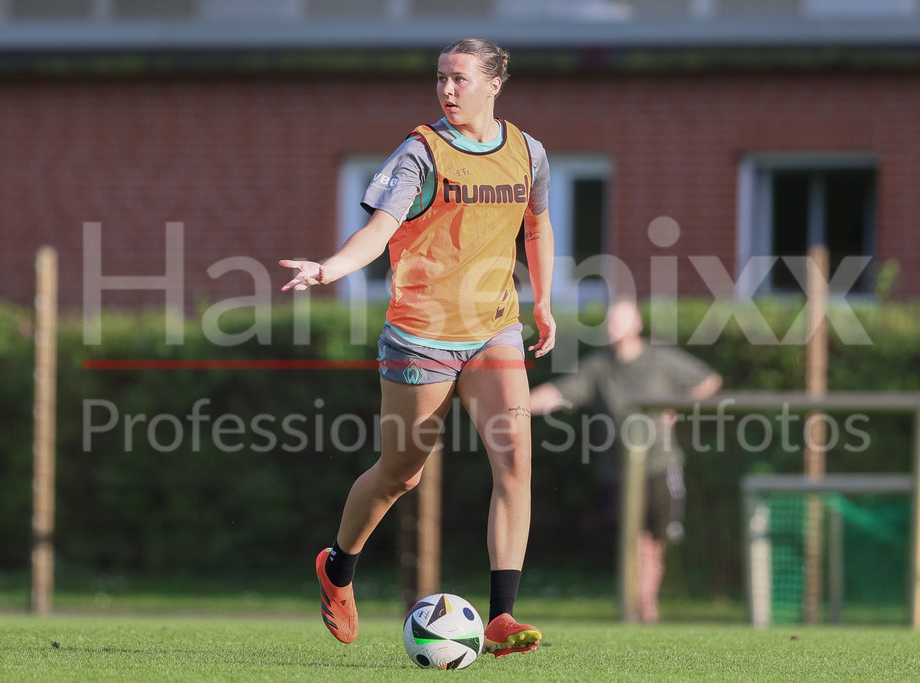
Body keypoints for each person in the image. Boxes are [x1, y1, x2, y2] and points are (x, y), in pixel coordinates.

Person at [280, 38, 556, 657]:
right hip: (421, 333)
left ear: (494, 84)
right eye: (440, 80)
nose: (447, 91)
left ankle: (502, 617)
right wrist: (329, 269)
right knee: (401, 474)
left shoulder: (527, 153)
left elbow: (536, 225)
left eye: (459, 80)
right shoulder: (420, 154)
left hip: (494, 327)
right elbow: (378, 231)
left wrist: (542, 302)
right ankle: (338, 567)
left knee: (516, 464)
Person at [529, 299, 721, 623]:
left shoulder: (660, 359)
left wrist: (676, 405)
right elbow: (559, 393)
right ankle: (638, 605)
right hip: (618, 471)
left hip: (659, 465)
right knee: (632, 540)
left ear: (637, 325)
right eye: (609, 321)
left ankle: (646, 604)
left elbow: (708, 381)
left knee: (653, 540)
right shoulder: (598, 368)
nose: (611, 327)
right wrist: (515, 404)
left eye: (619, 321)